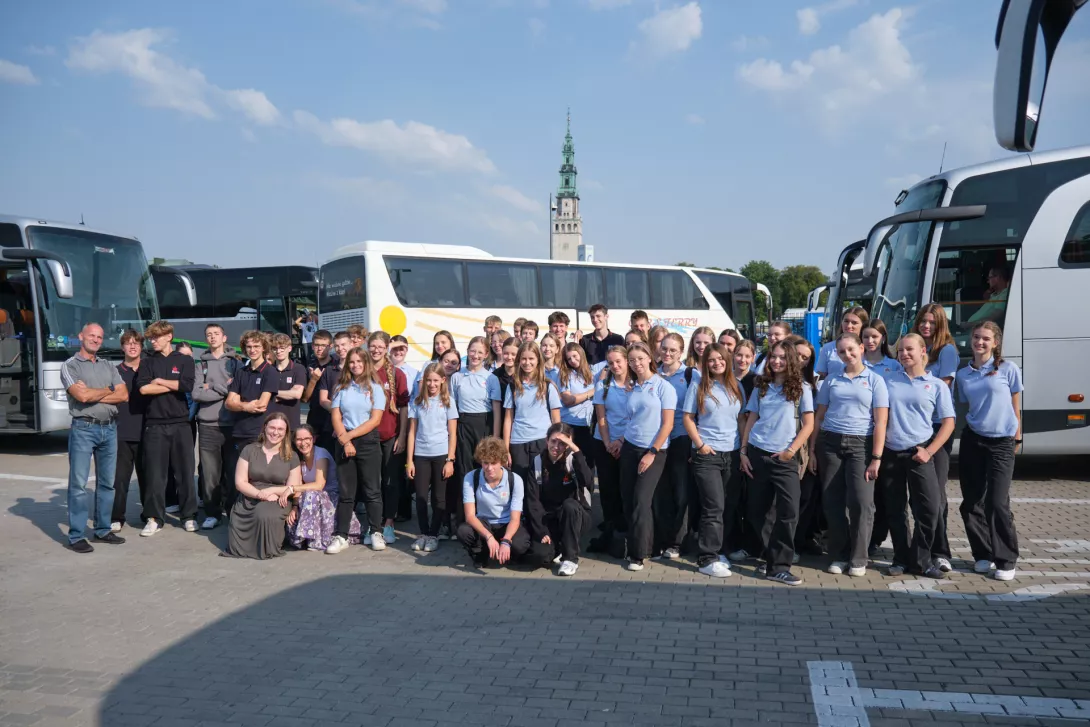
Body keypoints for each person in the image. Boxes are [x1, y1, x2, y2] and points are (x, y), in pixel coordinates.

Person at [810, 333, 889, 577]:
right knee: (833, 503)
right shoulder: (832, 379)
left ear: (862, 348)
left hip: (861, 446)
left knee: (861, 503)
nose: (848, 355)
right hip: (830, 444)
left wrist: (876, 457)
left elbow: (881, 422)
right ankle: (838, 554)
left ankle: (858, 557)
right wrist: (812, 450)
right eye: (842, 352)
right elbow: (819, 417)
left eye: (852, 350)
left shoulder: (876, 380)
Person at [880, 333, 955, 579]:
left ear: (923, 351)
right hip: (891, 452)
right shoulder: (888, 380)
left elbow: (948, 423)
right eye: (900, 350)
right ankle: (900, 559)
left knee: (930, 508)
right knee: (895, 510)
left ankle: (922, 560)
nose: (904, 354)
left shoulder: (936, 386)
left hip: (919, 452)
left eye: (909, 349)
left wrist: (929, 450)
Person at [740, 341, 814, 586]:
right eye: (773, 357)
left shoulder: (801, 387)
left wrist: (790, 451)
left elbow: (809, 424)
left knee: (789, 512)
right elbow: (751, 418)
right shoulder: (761, 386)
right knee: (757, 512)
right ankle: (771, 559)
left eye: (782, 357)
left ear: (791, 359)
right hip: (757, 453)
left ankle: (780, 565)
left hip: (784, 458)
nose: (776, 361)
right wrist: (743, 451)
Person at [956, 321, 1023, 581]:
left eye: (985, 338)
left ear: (995, 343)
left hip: (1002, 442)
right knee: (971, 503)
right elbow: (968, 405)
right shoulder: (964, 374)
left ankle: (1006, 559)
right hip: (974, 440)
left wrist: (1017, 434)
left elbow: (1015, 401)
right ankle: (982, 554)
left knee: (997, 503)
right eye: (976, 337)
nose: (979, 342)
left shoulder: (1008, 369)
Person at [62, 323, 128, 553]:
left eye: (100, 337)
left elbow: (124, 394)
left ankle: (102, 530)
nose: (96, 340)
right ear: (81, 336)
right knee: (79, 485)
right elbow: (80, 395)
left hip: (109, 429)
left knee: (107, 484)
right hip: (84, 429)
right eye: (92, 336)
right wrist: (109, 390)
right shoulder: (70, 366)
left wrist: (94, 393)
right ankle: (76, 536)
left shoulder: (108, 364)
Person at [683, 342, 746, 578]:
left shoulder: (736, 385)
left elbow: (741, 419)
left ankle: (720, 551)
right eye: (711, 360)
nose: (716, 363)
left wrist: (743, 449)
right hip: (707, 454)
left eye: (720, 358)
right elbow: (688, 418)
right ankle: (706, 558)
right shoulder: (698, 385)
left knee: (729, 505)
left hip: (732, 453)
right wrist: (700, 445)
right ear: (705, 363)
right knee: (713, 506)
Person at [618, 341, 676, 572]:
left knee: (642, 501)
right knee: (629, 499)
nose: (636, 363)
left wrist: (652, 452)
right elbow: (631, 419)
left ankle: (637, 554)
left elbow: (668, 424)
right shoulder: (632, 387)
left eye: (640, 359)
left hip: (654, 451)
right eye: (632, 360)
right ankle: (644, 545)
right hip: (630, 448)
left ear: (650, 358)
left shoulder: (663, 387)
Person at [137, 320, 198, 536]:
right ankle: (154, 517)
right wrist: (172, 384)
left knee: (185, 473)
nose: (153, 341)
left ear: (169, 336)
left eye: (156, 337)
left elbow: (187, 385)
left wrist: (160, 381)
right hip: (154, 425)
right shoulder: (146, 362)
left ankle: (189, 515)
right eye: (151, 338)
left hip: (181, 424)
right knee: (155, 475)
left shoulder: (184, 360)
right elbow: (144, 389)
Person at [327, 347, 387, 554]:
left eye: (359, 362)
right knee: (346, 493)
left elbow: (375, 420)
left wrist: (349, 437)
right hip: (345, 440)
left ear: (366, 363)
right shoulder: (341, 387)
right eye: (352, 362)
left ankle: (376, 531)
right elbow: (336, 416)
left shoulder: (376, 388)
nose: (355, 366)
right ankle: (341, 535)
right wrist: (345, 441)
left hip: (367, 441)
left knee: (372, 490)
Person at [913, 302, 959, 573]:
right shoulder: (915, 347)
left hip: (936, 428)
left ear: (940, 324)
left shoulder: (947, 350)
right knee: (919, 496)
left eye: (931, 322)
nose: (926, 325)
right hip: (914, 429)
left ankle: (941, 552)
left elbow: (943, 387)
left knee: (937, 494)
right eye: (923, 321)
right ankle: (920, 547)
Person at [221, 413, 301, 559]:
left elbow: (293, 487)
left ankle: (269, 546)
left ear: (286, 432)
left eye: (280, 429)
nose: (275, 432)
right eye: (272, 427)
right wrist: (260, 494)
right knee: (237, 517)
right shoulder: (249, 450)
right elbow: (240, 482)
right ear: (264, 428)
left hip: (278, 498)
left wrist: (272, 491)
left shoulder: (292, 456)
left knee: (265, 516)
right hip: (250, 495)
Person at [523, 424, 593, 575]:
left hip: (577, 516)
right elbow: (533, 502)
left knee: (569, 505)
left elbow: (588, 482)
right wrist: (541, 532)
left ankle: (570, 559)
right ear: (547, 440)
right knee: (540, 557)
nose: (557, 447)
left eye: (562, 443)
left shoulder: (573, 460)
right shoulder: (537, 463)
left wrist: (576, 450)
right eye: (553, 441)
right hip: (550, 518)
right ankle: (558, 549)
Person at [192, 323, 240, 530]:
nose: (212, 337)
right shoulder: (200, 365)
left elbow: (237, 391)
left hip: (232, 425)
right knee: (210, 474)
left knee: (232, 471)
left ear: (224, 337)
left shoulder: (235, 363)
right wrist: (224, 388)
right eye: (208, 334)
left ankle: (233, 512)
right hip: (208, 425)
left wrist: (211, 386)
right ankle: (212, 513)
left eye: (216, 334)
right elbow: (196, 394)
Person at [457, 436, 532, 567]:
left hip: (506, 523)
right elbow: (469, 516)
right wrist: (489, 537)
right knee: (464, 531)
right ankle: (481, 554)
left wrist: (507, 541)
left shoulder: (515, 480)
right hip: (484, 523)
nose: (489, 468)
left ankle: (508, 554)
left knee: (521, 544)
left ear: (502, 462)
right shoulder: (471, 477)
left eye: (494, 463)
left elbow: (515, 518)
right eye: (486, 463)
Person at [225, 331, 278, 517]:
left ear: (264, 347)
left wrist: (239, 404)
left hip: (260, 433)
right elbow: (228, 402)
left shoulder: (271, 372)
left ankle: (257, 516)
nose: (252, 350)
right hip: (240, 432)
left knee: (259, 479)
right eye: (249, 346)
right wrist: (246, 406)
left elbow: (262, 404)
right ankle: (238, 516)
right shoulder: (241, 372)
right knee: (240, 478)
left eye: (256, 346)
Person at [408, 362, 459, 552]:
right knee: (421, 496)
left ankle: (433, 534)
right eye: (428, 380)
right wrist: (410, 460)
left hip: (441, 455)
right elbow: (412, 433)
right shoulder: (417, 402)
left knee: (439, 498)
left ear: (443, 380)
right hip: (421, 455)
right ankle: (423, 532)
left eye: (435, 380)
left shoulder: (448, 402)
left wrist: (450, 460)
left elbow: (452, 433)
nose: (431, 384)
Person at [654, 332, 695, 560]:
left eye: (673, 350)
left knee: (681, 493)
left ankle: (678, 542)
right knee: (661, 492)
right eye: (664, 349)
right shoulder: (653, 375)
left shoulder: (690, 375)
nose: (667, 353)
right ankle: (662, 539)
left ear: (681, 352)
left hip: (680, 438)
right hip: (658, 441)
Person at [286, 424, 361, 551]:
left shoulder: (321, 453)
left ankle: (315, 541)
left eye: (307, 439)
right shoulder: (298, 458)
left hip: (330, 497)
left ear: (313, 439)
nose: (303, 443)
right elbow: (300, 485)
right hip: (311, 498)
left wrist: (292, 488)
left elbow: (319, 485)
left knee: (310, 494)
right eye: (299, 439)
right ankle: (307, 537)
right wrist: (294, 507)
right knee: (305, 497)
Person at [588, 345, 631, 555]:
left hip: (629, 442)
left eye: (618, 361)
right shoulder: (603, 385)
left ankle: (627, 535)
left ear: (626, 361)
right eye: (610, 362)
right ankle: (612, 535)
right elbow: (601, 417)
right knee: (608, 492)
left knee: (626, 490)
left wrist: (620, 441)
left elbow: (638, 417)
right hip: (604, 443)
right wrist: (607, 443)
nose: (615, 366)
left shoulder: (637, 385)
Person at [368, 331, 409, 544]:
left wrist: (402, 437)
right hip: (366, 437)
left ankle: (389, 524)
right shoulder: (360, 370)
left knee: (390, 482)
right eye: (372, 346)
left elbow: (403, 408)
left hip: (390, 436)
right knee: (371, 483)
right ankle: (373, 525)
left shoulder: (396, 374)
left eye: (380, 347)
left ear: (386, 349)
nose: (376, 350)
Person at [503, 341, 561, 485]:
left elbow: (556, 419)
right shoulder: (512, 387)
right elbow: (508, 419)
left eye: (531, 359)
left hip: (542, 441)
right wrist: (505, 449)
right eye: (523, 359)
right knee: (520, 485)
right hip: (518, 443)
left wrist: (558, 443)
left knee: (541, 484)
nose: (527, 362)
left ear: (538, 360)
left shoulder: (548, 387)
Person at [451, 337, 491, 531]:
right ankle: (464, 517)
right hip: (463, 424)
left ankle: (485, 515)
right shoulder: (457, 377)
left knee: (484, 469)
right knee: (465, 470)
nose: (475, 355)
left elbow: (496, 408)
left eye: (480, 352)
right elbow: (452, 404)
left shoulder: (490, 377)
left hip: (483, 424)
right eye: (472, 351)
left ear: (486, 355)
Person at [110, 329, 147, 533]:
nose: (132, 346)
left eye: (136, 343)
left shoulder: (149, 370)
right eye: (128, 343)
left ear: (141, 347)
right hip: (121, 432)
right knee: (120, 479)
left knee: (148, 478)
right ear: (122, 347)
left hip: (147, 431)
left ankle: (148, 514)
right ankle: (117, 517)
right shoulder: (114, 372)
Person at [556, 343, 596, 470]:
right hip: (571, 424)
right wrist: (591, 393)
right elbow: (567, 399)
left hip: (588, 424)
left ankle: (588, 489)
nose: (572, 360)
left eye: (574, 356)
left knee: (588, 463)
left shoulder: (591, 371)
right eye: (569, 358)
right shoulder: (565, 374)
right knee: (570, 463)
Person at [316, 332, 352, 455]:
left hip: (354, 426)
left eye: (343, 345)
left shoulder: (358, 369)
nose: (340, 349)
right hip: (332, 426)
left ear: (351, 344)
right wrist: (338, 414)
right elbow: (323, 400)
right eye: (337, 346)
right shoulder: (330, 370)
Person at [302, 329, 337, 451]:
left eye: (323, 345)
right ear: (312, 346)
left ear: (330, 346)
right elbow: (305, 398)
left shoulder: (337, 365)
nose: (319, 349)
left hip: (332, 417)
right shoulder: (309, 366)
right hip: (315, 418)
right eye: (316, 345)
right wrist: (313, 380)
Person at [815, 307, 869, 381]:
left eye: (854, 323)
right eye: (846, 321)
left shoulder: (869, 347)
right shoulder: (828, 348)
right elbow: (821, 376)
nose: (849, 326)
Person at [268, 332, 307, 430]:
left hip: (291, 424)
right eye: (275, 348)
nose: (278, 351)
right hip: (270, 424)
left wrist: (271, 393)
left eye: (282, 348)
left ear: (289, 348)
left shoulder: (298, 369)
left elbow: (296, 394)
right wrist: (286, 394)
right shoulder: (268, 370)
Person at [487, 336, 521, 438]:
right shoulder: (494, 376)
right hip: (499, 426)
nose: (509, 357)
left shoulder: (524, 376)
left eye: (513, 354)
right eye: (506, 353)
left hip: (519, 428)